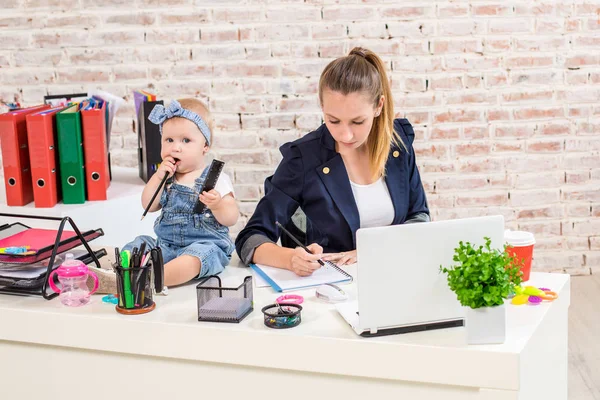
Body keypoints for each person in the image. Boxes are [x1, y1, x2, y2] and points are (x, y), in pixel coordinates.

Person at [235, 47, 429, 276]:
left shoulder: (398, 144)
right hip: (332, 288)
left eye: (357, 122)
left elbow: (420, 218)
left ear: (379, 106)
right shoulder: (302, 158)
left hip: (398, 274)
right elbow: (250, 239)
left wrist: (367, 250)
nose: (345, 135)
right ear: (322, 107)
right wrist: (291, 259)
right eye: (333, 120)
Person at [123, 98, 238, 286]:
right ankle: (124, 272)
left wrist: (217, 205)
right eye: (169, 140)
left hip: (205, 246)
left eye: (186, 140)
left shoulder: (215, 178)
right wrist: (159, 176)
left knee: (193, 259)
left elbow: (231, 218)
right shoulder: (166, 177)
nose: (175, 147)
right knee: (139, 244)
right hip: (167, 245)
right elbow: (148, 205)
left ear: (205, 146)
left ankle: (151, 279)